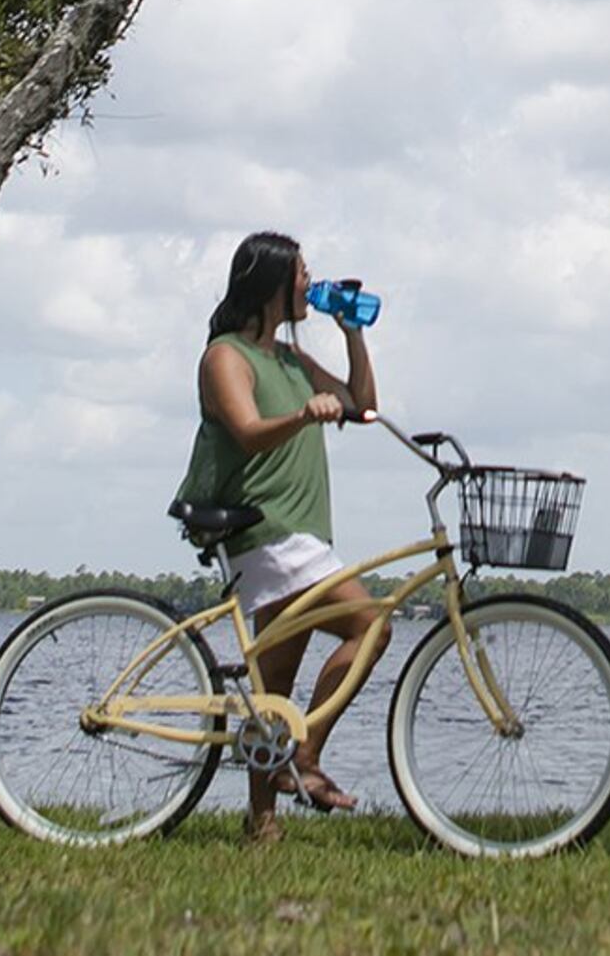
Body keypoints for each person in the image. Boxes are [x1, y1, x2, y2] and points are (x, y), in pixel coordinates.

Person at [181, 229, 383, 838]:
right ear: (271, 285)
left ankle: (261, 825)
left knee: (274, 687)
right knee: (371, 624)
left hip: (300, 534)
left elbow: (363, 405)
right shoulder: (226, 357)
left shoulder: (292, 361)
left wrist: (353, 333)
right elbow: (247, 431)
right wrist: (302, 413)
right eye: (302, 274)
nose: (310, 283)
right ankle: (306, 757)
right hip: (265, 530)